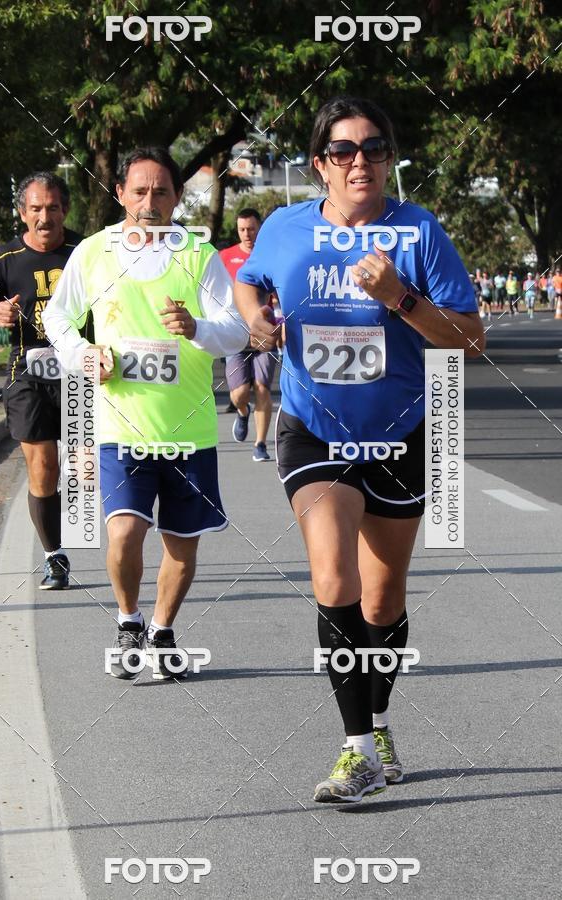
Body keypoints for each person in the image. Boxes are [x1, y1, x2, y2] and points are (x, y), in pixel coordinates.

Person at [235, 96, 484, 803]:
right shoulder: (286, 228)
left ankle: (376, 723)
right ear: (319, 165)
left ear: (388, 159)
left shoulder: (417, 231)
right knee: (332, 575)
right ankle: (356, 751)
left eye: (373, 148)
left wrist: (401, 298)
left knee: (381, 599)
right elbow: (250, 283)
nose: (360, 162)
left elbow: (470, 340)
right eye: (343, 151)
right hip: (313, 429)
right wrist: (257, 323)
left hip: (401, 433)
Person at [43, 146, 247, 680]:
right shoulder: (93, 253)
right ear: (121, 195)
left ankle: (161, 629)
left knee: (181, 544)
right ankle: (128, 619)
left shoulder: (200, 256)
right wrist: (83, 354)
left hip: (190, 429)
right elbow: (58, 318)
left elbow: (236, 332)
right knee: (125, 533)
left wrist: (197, 328)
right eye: (139, 191)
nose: (149, 202)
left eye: (161, 191)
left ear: (178, 197)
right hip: (119, 424)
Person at [0, 173, 82, 588]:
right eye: (35, 208)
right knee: (43, 464)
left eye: (52, 207)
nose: (44, 216)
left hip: (80, 371)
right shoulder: (5, 258)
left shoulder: (83, 253)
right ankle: (54, 556)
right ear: (23, 212)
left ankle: (87, 532)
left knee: (84, 469)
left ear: (65, 210)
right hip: (27, 373)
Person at [220, 209, 277, 462]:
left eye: (251, 229)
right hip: (235, 334)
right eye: (242, 229)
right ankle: (243, 412)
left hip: (264, 332)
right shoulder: (225, 257)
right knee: (239, 393)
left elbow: (281, 293)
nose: (247, 234)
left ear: (259, 228)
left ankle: (260, 444)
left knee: (262, 387)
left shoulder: (271, 254)